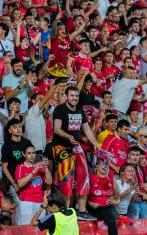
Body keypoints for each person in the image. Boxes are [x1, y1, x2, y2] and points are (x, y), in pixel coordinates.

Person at [52, 86, 98, 221]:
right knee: (67, 180)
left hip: (76, 146)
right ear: (66, 96)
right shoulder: (59, 109)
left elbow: (87, 130)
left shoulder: (80, 110)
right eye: (72, 95)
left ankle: (82, 211)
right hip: (61, 147)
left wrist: (96, 145)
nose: (74, 98)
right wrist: (68, 137)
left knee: (84, 177)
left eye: (76, 96)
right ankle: (65, 211)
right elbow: (56, 129)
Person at [15, 144, 52, 225]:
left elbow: (49, 182)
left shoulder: (40, 167)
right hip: (26, 202)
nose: (32, 155)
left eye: (33, 153)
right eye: (29, 153)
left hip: (40, 202)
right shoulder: (20, 167)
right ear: (24, 154)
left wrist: (46, 168)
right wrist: (34, 171)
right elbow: (20, 184)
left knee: (39, 229)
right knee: (25, 228)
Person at [87, 156, 119, 235]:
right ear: (96, 166)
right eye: (102, 164)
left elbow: (117, 197)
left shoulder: (111, 179)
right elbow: (82, 197)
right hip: (94, 207)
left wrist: (115, 201)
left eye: (106, 164)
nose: (104, 166)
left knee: (112, 213)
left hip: (108, 207)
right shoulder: (90, 178)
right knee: (111, 214)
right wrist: (91, 204)